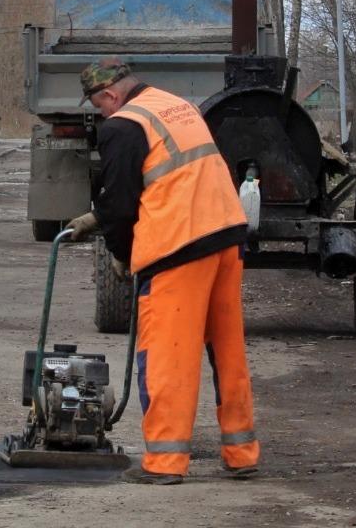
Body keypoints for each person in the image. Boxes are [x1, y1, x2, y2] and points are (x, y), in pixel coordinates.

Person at [65, 58, 259, 485]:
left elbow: (120, 202)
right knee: (228, 349)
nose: (100, 114)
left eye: (98, 105)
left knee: (167, 356)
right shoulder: (174, 105)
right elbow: (166, 173)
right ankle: (241, 453)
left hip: (179, 247)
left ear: (111, 96)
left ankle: (166, 463)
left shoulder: (121, 125)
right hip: (225, 235)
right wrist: (96, 216)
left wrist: (121, 253)